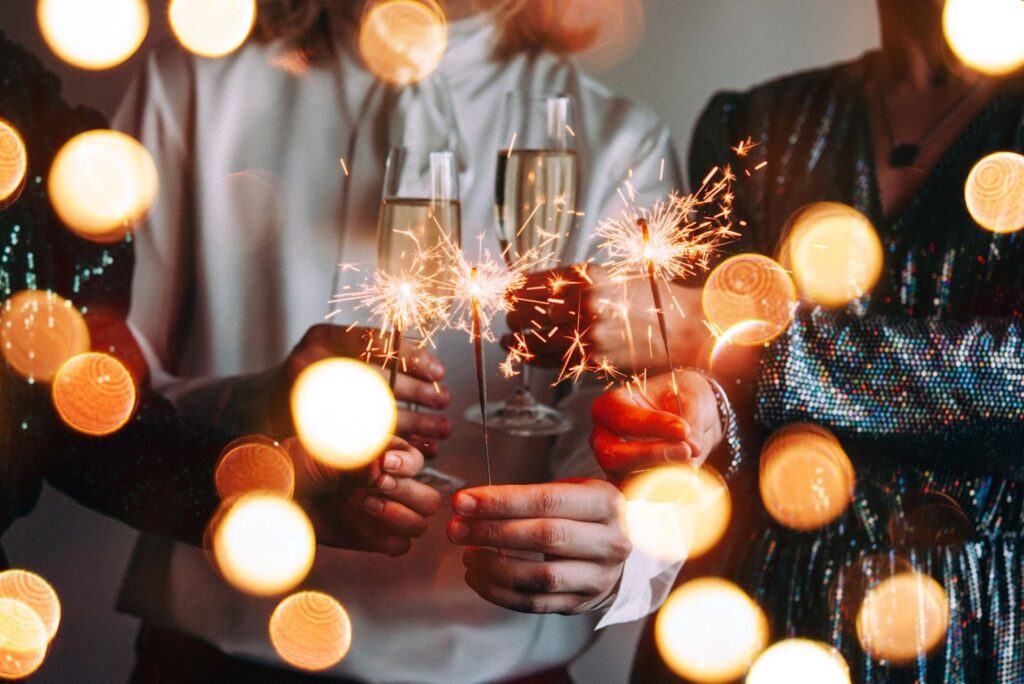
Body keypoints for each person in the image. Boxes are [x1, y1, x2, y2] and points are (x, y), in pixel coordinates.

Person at [117, 0, 684, 681]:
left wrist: (621, 551)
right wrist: (260, 410)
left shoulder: (621, 142)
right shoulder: (194, 84)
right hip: (211, 659)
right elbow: (100, 400)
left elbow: (645, 444)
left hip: (496, 668)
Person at [591, 1, 1024, 681]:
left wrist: (738, 332)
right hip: (742, 612)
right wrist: (701, 411)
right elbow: (726, 405)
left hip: (976, 624)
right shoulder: (758, 123)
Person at [0, 31, 434, 573]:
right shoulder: (194, 71)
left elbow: (78, 411)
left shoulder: (24, 111)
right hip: (203, 613)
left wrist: (273, 474)